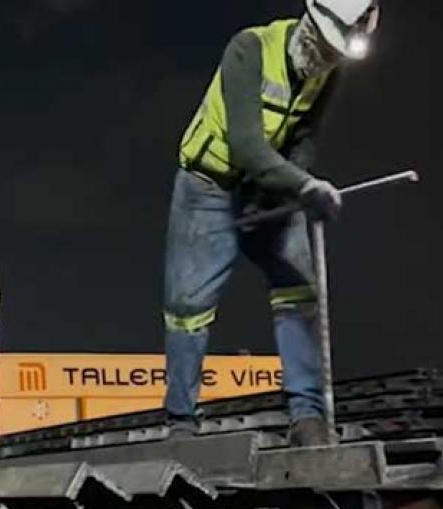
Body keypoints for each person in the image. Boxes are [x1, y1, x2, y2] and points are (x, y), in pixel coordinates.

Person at [162, 0, 380, 446]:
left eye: (334, 55)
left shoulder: (328, 73)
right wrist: (304, 187)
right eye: (321, 47)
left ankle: (307, 417)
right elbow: (245, 143)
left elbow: (304, 139)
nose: (324, 60)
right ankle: (181, 423)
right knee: (188, 306)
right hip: (208, 184)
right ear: (307, 24)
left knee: (298, 284)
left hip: (266, 185)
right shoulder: (249, 49)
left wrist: (294, 187)